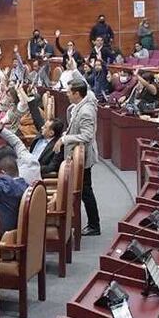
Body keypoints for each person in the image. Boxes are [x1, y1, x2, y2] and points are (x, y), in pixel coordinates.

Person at [57, 76, 101, 236]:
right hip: (78, 157)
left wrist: (65, 139)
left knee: (86, 191)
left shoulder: (86, 111)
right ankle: (93, 224)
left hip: (84, 158)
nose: (66, 94)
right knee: (85, 190)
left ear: (77, 94)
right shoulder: (79, 105)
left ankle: (94, 225)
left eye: (69, 92)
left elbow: (87, 136)